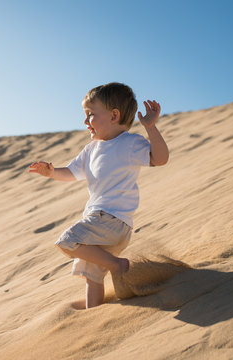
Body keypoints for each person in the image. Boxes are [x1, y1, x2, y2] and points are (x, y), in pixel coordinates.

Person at [29, 82, 169, 308]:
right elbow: (71, 173)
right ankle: (95, 315)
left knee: (67, 241)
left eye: (91, 115)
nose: (85, 122)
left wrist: (151, 128)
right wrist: (52, 172)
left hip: (110, 220)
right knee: (92, 278)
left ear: (114, 115)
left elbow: (160, 159)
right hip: (104, 226)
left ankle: (118, 265)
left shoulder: (129, 142)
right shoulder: (91, 150)